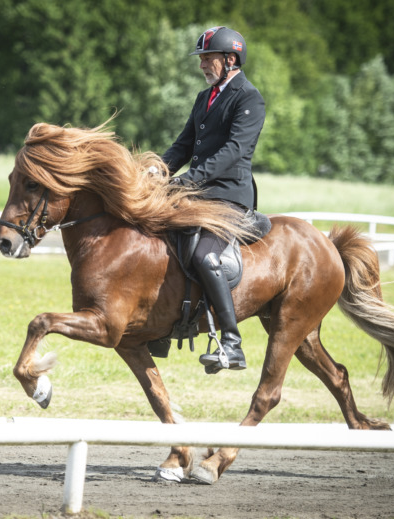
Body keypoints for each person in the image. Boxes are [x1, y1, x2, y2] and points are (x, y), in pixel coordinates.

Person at [161, 26, 265, 373]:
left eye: (208, 58)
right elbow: (183, 145)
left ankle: (232, 343)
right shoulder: (203, 97)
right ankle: (160, 327)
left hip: (229, 197)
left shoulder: (249, 98)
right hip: (198, 193)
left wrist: (188, 179)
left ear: (230, 59)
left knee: (205, 256)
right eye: (201, 58)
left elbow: (234, 151)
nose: (202, 64)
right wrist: (158, 170)